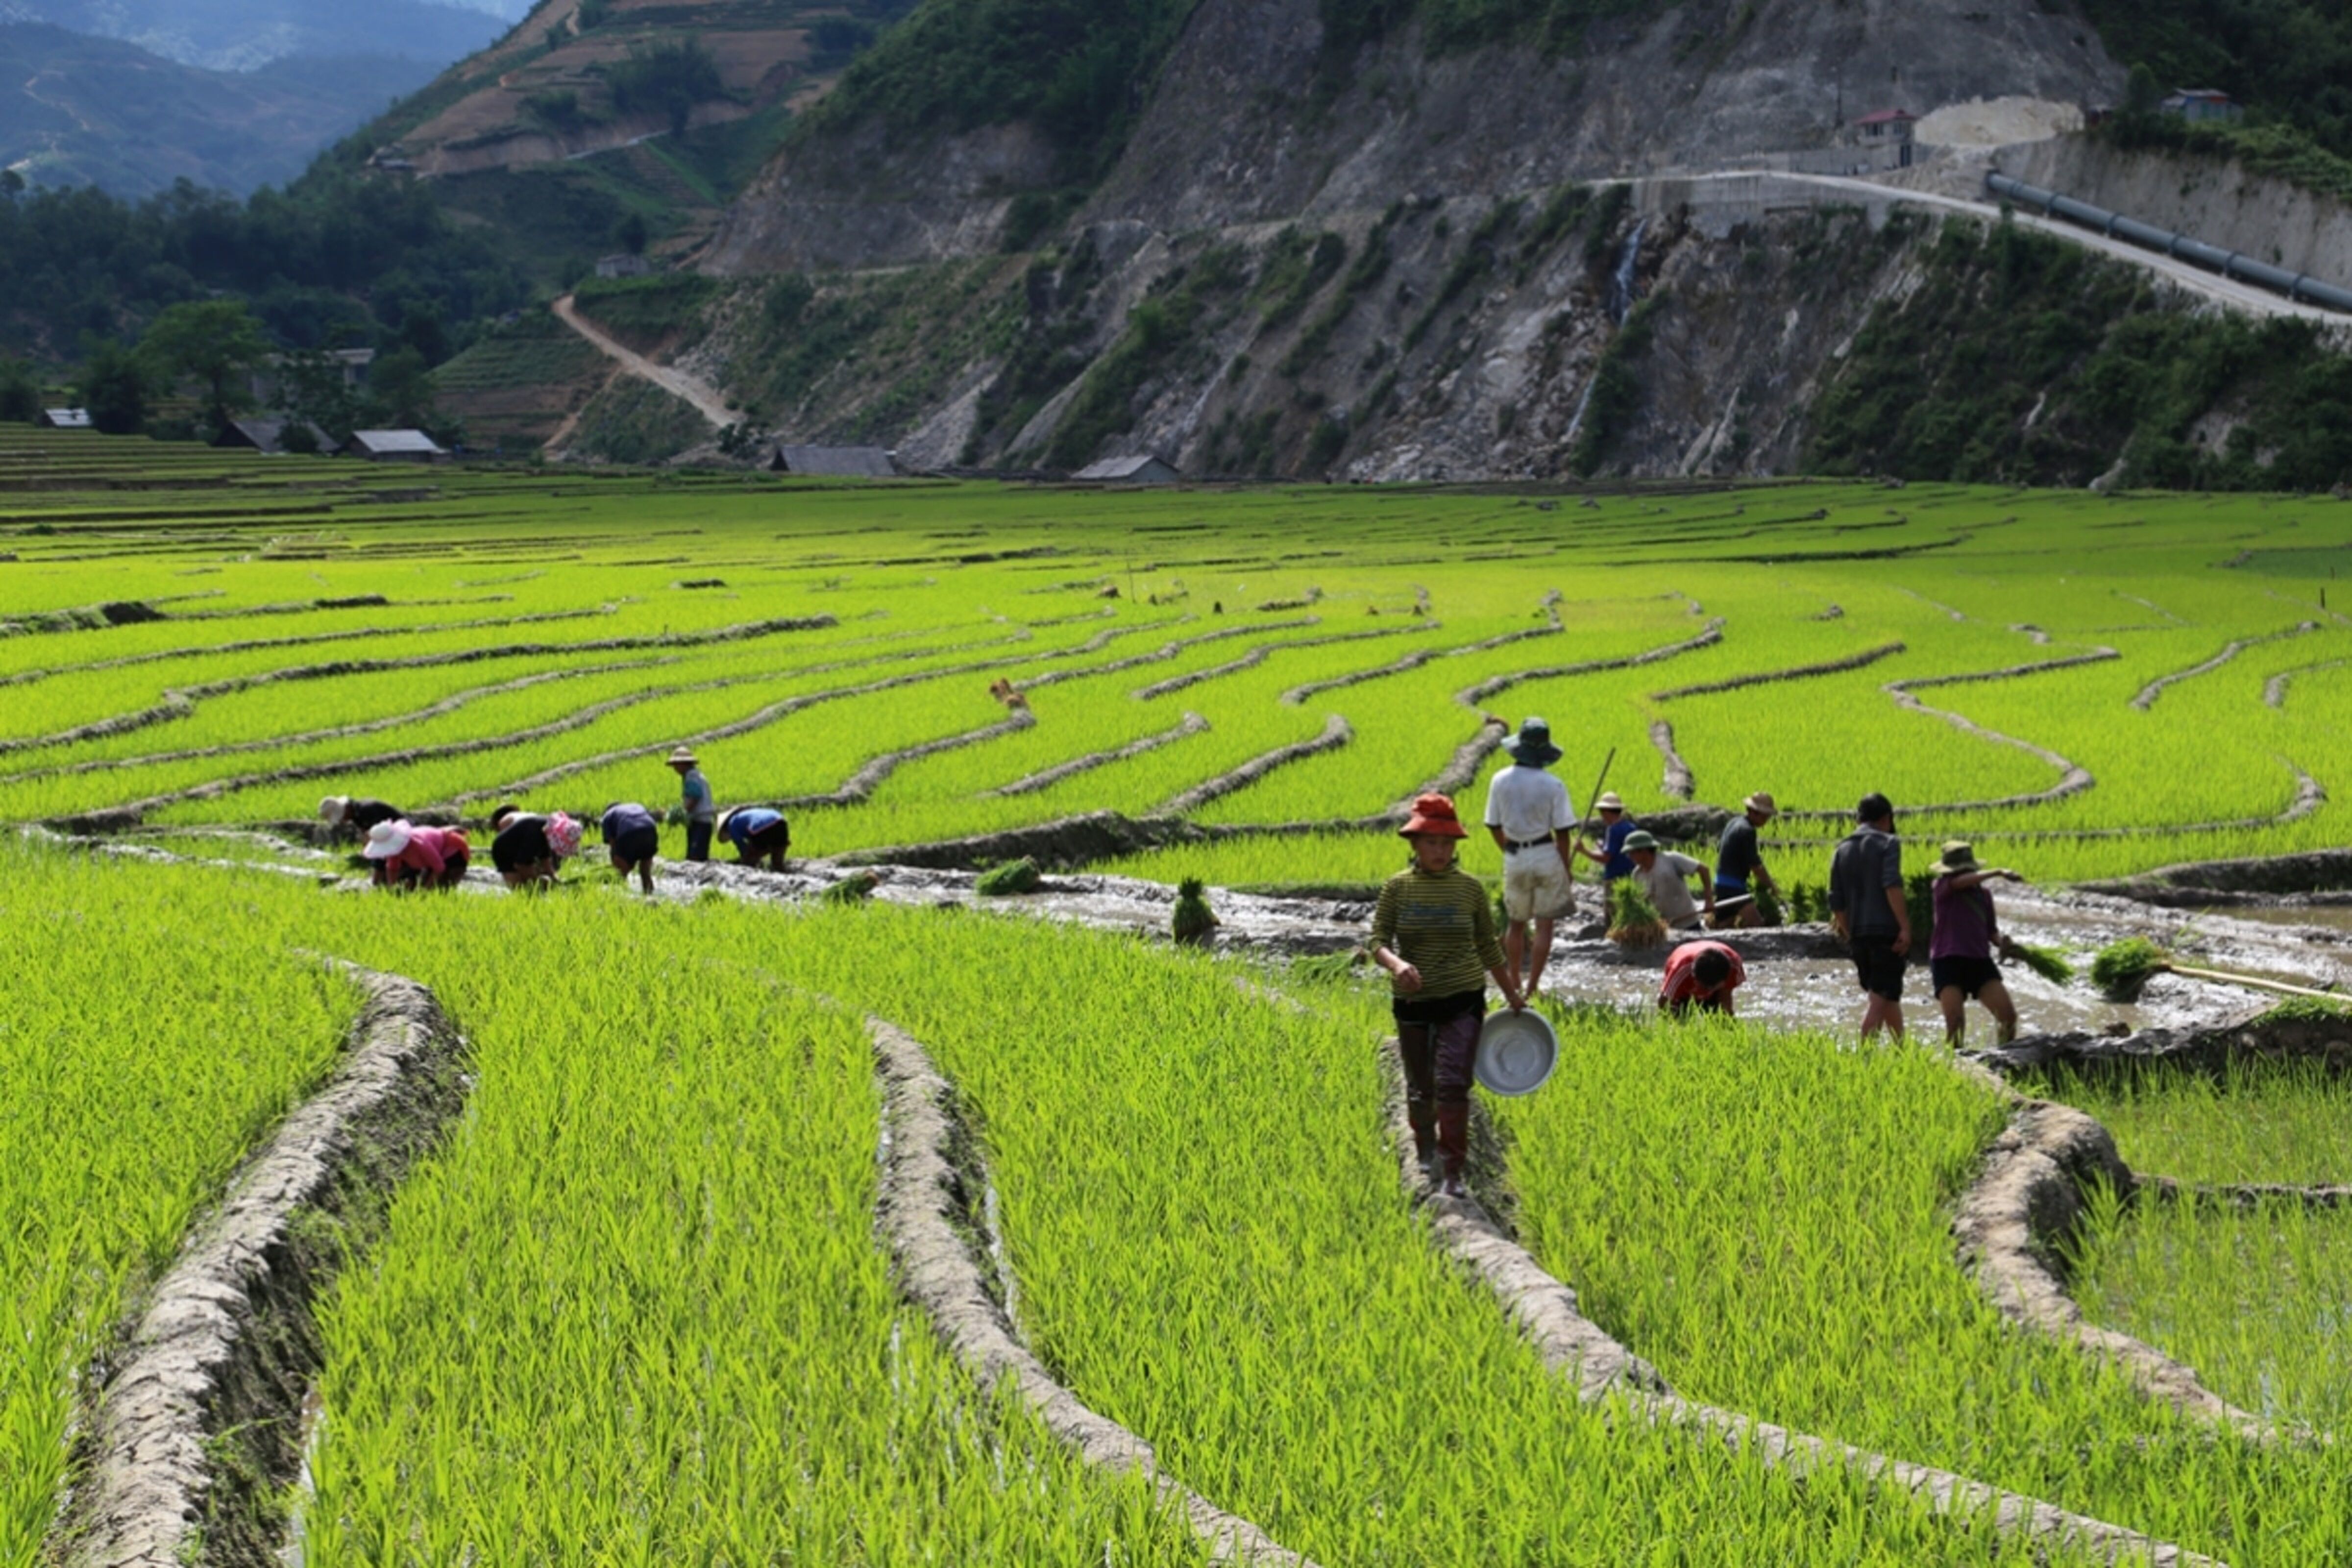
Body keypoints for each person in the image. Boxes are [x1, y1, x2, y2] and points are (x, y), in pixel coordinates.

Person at [1370, 793, 1527, 1200]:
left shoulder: (1469, 890)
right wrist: (1398, 965)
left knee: (1455, 1085)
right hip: (1414, 1000)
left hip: (1463, 998)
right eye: (1431, 843)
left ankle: (1454, 1170)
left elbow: (1488, 947)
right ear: (1415, 845)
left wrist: (1513, 994)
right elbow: (1377, 942)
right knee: (1422, 1086)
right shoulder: (1397, 889)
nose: (1439, 851)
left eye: (1446, 843)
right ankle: (1424, 1148)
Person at [1482, 717, 1578, 994]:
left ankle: (1514, 980)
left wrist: (1508, 848)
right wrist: (1566, 867)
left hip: (1515, 856)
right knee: (1545, 926)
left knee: (1516, 924)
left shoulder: (1499, 780)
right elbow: (1562, 833)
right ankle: (1533, 987)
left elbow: (1493, 825)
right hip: (1546, 854)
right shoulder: (1554, 785)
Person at [1829, 792, 1910, 1041]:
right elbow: (1891, 885)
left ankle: (1901, 1051)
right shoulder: (1888, 843)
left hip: (1858, 935)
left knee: (1885, 995)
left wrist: (1850, 934)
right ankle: (1864, 1058)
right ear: (1886, 818)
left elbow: (1836, 900)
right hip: (1886, 933)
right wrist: (1905, 927)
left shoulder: (1841, 850)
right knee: (1878, 1002)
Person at [1931, 841, 2025, 1046]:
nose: (1961, 875)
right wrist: (1998, 872)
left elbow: (1991, 932)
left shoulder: (1983, 895)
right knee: (1955, 1025)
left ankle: (2003, 1062)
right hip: (1948, 961)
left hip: (1979, 961)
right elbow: (1959, 883)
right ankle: (1954, 1069)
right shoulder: (1943, 887)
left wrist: (2005, 945)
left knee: (2008, 1018)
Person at [1622, 830, 1713, 932]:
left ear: (1644, 851)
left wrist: (1709, 900)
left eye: (1632, 853)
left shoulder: (1671, 860)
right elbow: (1643, 903)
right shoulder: (1637, 875)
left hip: (1689, 922)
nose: (1630, 857)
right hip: (1666, 928)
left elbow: (1704, 870)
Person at [1713, 792, 1779, 928]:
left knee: (1724, 926)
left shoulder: (1734, 822)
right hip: (1734, 887)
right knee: (1757, 924)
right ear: (1754, 813)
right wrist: (1771, 887)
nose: (1767, 820)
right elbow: (1755, 865)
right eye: (1765, 816)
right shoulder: (1747, 831)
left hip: (1721, 883)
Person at [489, 805, 580, 889]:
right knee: (520, 888)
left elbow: (546, 859)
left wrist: (556, 880)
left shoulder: (545, 832)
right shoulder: (534, 837)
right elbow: (521, 865)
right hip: (504, 851)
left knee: (542, 879)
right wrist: (535, 881)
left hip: (523, 840)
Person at [362, 819, 470, 891]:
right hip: (434, 858)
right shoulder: (395, 850)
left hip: (453, 851)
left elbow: (439, 868)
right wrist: (392, 889)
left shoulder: (419, 844)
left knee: (442, 889)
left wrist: (426, 891)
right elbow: (392, 868)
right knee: (419, 888)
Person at [1660, 939, 1746, 1018]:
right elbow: (1664, 1001)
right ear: (1694, 977)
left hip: (1717, 988)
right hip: (1684, 985)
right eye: (1704, 988)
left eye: (1712, 988)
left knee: (1724, 1021)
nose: (1706, 992)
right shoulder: (1681, 970)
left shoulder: (1734, 966)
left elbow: (1726, 999)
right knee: (1678, 1018)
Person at [602, 801, 662, 895]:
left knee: (621, 874)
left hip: (629, 832)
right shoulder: (636, 806)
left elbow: (613, 845)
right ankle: (651, 896)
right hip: (650, 830)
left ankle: (622, 898)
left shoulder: (607, 816)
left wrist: (616, 864)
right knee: (645, 873)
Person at [1578, 791, 1638, 884]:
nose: (1601, 816)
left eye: (1601, 812)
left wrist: (1584, 851)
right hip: (1632, 876)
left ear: (1606, 812)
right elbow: (1620, 850)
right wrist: (1604, 846)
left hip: (1615, 878)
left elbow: (1606, 858)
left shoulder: (1613, 830)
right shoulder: (1631, 827)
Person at [668, 746, 716, 862]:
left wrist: (683, 812)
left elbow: (695, 796)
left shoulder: (692, 776)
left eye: (676, 765)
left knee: (695, 858)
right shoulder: (696, 775)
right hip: (703, 822)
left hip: (700, 822)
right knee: (698, 857)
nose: (675, 768)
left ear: (684, 764)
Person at [717, 805, 791, 871]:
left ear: (725, 829)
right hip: (781, 822)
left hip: (760, 826)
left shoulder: (732, 824)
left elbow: (742, 848)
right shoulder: (747, 816)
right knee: (777, 859)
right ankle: (780, 868)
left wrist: (746, 858)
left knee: (748, 862)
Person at [319, 795, 403, 842]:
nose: (342, 821)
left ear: (347, 808)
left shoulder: (366, 810)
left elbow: (379, 834)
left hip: (402, 835)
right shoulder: (355, 815)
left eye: (341, 817)